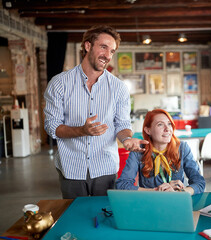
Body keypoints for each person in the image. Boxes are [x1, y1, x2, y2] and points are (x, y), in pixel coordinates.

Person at [44, 25, 148, 199]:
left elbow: (122, 124)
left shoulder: (118, 88)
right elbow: (51, 126)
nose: (108, 55)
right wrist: (81, 131)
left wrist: (127, 139)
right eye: (103, 47)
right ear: (87, 46)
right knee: (75, 218)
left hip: (105, 168)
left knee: (105, 215)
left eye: (112, 51)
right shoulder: (59, 83)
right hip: (71, 168)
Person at [116, 109, 205, 195]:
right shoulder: (138, 151)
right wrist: (156, 191)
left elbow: (199, 182)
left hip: (176, 201)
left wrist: (181, 192)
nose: (167, 129)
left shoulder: (182, 148)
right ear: (148, 130)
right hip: (150, 203)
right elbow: (122, 185)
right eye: (160, 125)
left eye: (169, 124)